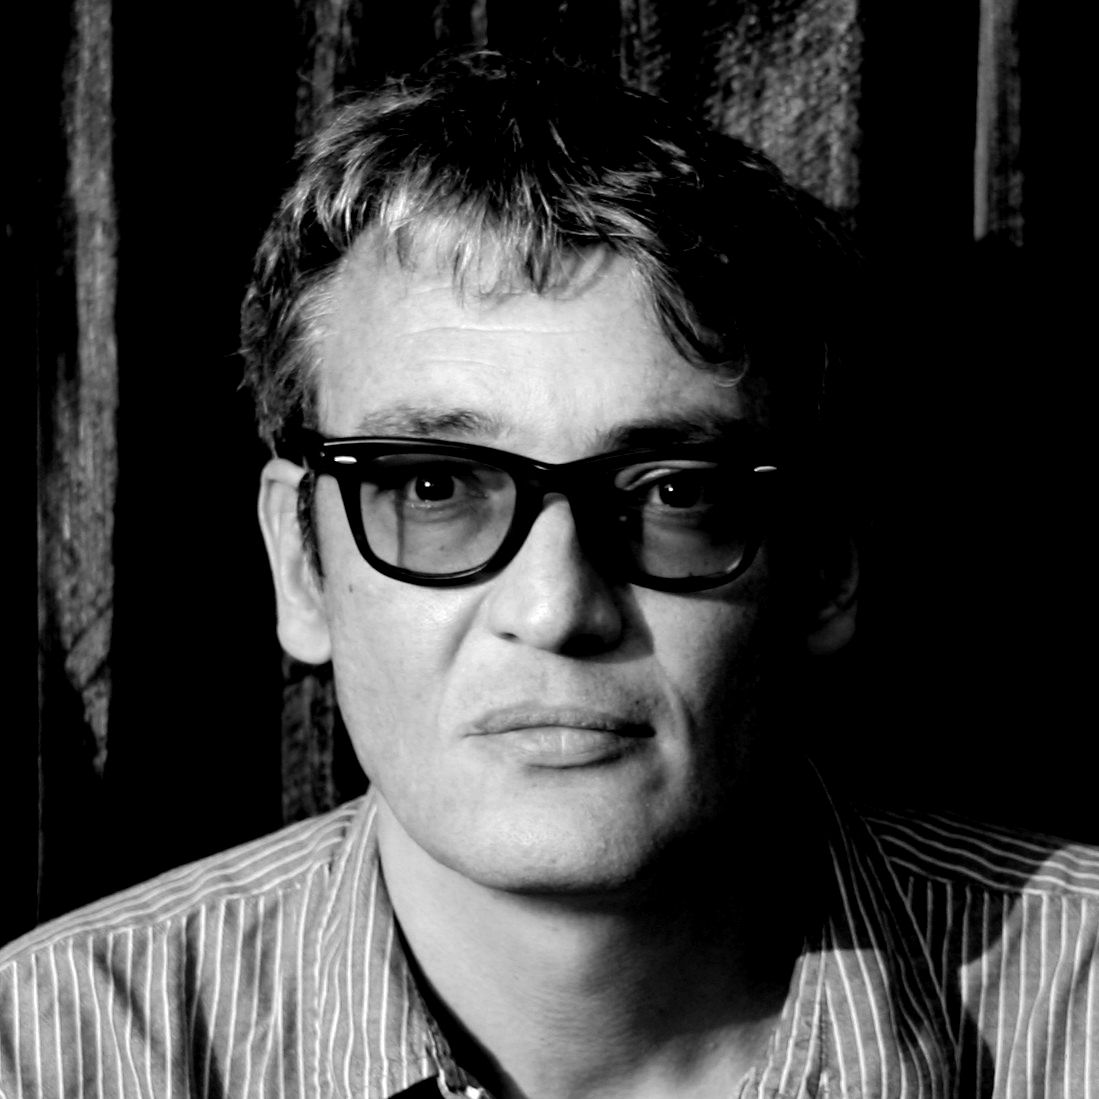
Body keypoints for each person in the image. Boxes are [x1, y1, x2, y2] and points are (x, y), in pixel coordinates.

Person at [4, 50, 1097, 1099]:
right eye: (433, 486)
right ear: (301, 565)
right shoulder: (48, 1054)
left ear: (823, 564)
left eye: (672, 492)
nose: (555, 605)